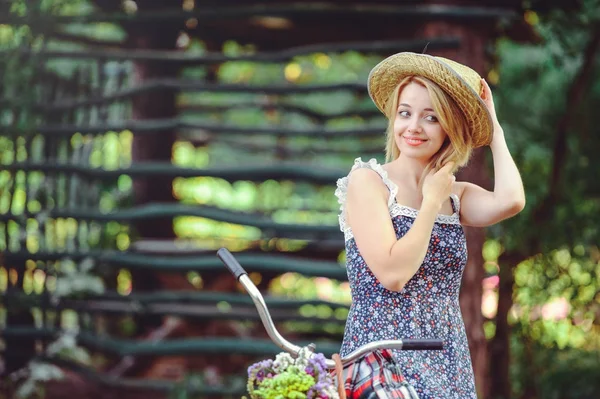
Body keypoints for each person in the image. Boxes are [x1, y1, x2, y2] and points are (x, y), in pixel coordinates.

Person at [334, 52, 526, 398]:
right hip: (382, 356)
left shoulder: (456, 195)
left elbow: (511, 200)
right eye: (405, 113)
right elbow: (394, 275)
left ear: (450, 127)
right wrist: (431, 203)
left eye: (431, 117)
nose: (413, 127)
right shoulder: (368, 182)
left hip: (446, 355)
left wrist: (493, 129)